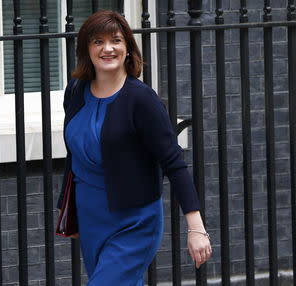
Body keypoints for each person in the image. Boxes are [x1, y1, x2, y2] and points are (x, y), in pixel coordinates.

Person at [57, 10, 211, 285]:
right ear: (87, 50)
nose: (107, 48)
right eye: (97, 41)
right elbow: (74, 154)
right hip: (92, 217)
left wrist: (196, 228)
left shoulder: (141, 100)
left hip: (133, 222)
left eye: (116, 40)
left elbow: (173, 163)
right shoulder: (76, 91)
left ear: (128, 49)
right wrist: (67, 211)